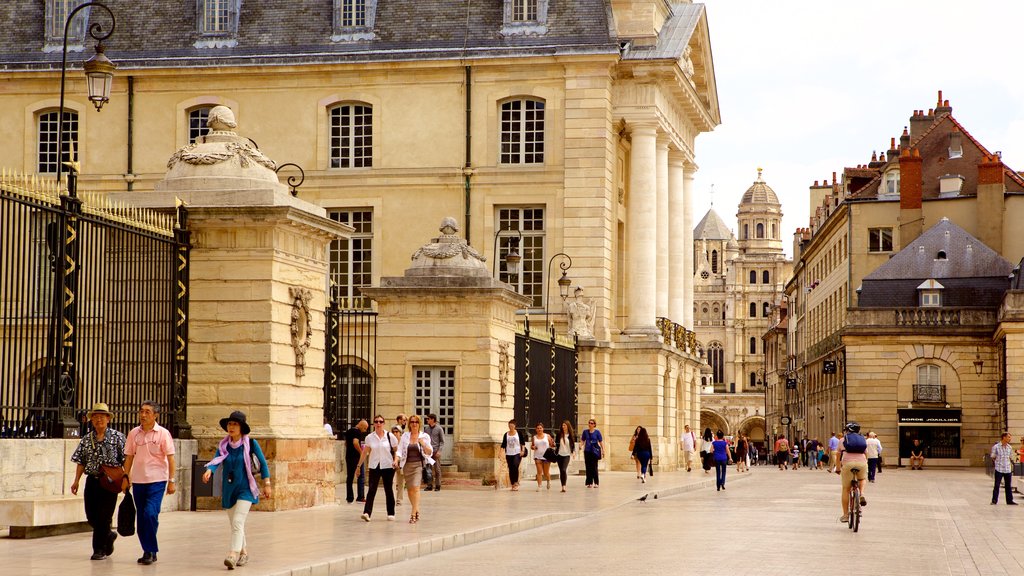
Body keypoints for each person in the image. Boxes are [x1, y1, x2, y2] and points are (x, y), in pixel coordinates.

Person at [202, 410, 271, 569]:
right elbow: (215, 461)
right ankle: (244, 552)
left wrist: (267, 484)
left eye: (235, 424)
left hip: (246, 489)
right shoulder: (223, 445)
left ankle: (232, 554)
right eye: (229, 424)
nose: (231, 427)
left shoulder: (251, 444)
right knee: (235, 524)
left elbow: (263, 464)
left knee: (238, 521)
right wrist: (208, 471)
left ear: (241, 428)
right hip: (229, 489)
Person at [70, 403, 127, 561]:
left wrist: (126, 479)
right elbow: (81, 461)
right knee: (92, 516)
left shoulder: (118, 437)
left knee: (103, 517)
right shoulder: (87, 439)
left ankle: (99, 550)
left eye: (102, 416)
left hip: (110, 481)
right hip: (92, 481)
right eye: (95, 416)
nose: (98, 419)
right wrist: (76, 481)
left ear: (108, 419)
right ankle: (108, 535)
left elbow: (127, 459)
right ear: (91, 420)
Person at [124, 401, 176, 565]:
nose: (143, 415)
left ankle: (150, 549)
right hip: (139, 481)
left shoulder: (163, 433)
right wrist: (126, 477)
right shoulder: (134, 434)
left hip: (157, 481)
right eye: (141, 411)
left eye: (147, 412)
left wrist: (171, 481)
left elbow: (170, 458)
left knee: (150, 514)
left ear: (155, 415)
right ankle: (148, 551)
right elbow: (129, 457)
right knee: (142, 517)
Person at [357, 415, 398, 521]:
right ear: (374, 423)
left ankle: (391, 513)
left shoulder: (390, 436)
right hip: (374, 465)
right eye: (376, 422)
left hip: (388, 465)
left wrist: (396, 460)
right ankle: (367, 513)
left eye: (380, 421)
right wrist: (358, 466)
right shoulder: (370, 437)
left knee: (388, 489)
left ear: (383, 423)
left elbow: (397, 450)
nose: (378, 424)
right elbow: (365, 452)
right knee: (371, 489)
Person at [396, 415, 433, 523]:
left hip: (418, 465)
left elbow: (429, 452)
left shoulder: (424, 436)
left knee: (416, 488)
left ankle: (413, 513)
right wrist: (396, 459)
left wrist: (423, 444)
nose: (414, 424)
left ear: (419, 424)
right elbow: (399, 450)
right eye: (412, 422)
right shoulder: (405, 436)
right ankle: (416, 509)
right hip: (407, 465)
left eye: (416, 422)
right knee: (410, 489)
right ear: (409, 424)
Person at [836, 421, 867, 523]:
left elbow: (838, 455)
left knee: (846, 489)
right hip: (861, 463)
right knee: (862, 478)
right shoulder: (863, 439)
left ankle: (845, 515)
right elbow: (866, 453)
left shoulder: (842, 440)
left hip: (848, 464)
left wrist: (838, 468)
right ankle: (861, 493)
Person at [990, 432, 1018, 505]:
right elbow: (992, 456)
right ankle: (994, 500)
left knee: (1008, 486)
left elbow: (1011, 456)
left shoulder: (1009, 447)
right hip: (999, 468)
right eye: (1008, 437)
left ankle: (1009, 500)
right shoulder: (996, 447)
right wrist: (995, 459)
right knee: (997, 485)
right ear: (1004, 437)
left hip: (1007, 468)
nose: (1010, 439)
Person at [344, 419, 368, 503]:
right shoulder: (357, 432)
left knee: (350, 477)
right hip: (356, 457)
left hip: (348, 456)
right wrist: (361, 452)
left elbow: (346, 443)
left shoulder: (349, 431)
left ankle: (349, 497)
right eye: (365, 428)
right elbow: (355, 442)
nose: (365, 430)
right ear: (361, 425)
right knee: (361, 476)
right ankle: (360, 496)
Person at [500, 419, 528, 490]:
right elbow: (503, 444)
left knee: (515, 465)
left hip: (517, 453)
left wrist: (522, 451)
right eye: (509, 426)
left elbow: (523, 443)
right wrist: (500, 453)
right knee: (511, 468)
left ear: (515, 426)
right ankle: (512, 483)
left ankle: (516, 482)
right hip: (508, 453)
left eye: (512, 426)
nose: (510, 427)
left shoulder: (519, 433)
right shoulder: (506, 434)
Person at [580, 419, 604, 488]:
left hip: (594, 451)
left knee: (594, 467)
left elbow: (600, 442)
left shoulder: (597, 432)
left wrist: (603, 450)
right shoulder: (585, 432)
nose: (590, 424)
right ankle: (589, 482)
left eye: (591, 423)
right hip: (587, 451)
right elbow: (582, 440)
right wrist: (580, 445)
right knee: (588, 467)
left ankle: (596, 482)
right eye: (589, 423)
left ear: (594, 425)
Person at [424, 414, 445, 491]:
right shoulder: (426, 429)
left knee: (437, 469)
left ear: (433, 419)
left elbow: (442, 442)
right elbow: (424, 440)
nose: (427, 420)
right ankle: (429, 485)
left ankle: (438, 485)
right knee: (428, 469)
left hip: (436, 452)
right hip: (428, 452)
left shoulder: (439, 429)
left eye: (428, 419)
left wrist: (439, 451)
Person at [554, 420, 576, 492]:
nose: (563, 427)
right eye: (562, 425)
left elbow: (573, 445)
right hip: (559, 455)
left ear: (568, 426)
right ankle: (562, 486)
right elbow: (556, 444)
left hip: (566, 455)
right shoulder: (559, 434)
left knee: (563, 469)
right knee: (561, 471)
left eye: (565, 425)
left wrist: (574, 452)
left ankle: (564, 486)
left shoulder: (570, 435)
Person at [531, 423, 554, 491]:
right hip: (537, 456)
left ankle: (548, 481)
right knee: (539, 472)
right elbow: (532, 446)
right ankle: (539, 486)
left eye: (540, 428)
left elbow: (552, 444)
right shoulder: (534, 437)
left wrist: (553, 443)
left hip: (546, 456)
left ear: (543, 429)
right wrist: (533, 447)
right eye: (538, 428)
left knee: (546, 472)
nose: (539, 429)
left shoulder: (547, 436)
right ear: (536, 429)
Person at [394, 413, 408, 505]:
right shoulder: (395, 429)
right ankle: (394, 498)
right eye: (403, 420)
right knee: (394, 481)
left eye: (406, 420)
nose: (405, 422)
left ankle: (399, 499)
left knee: (400, 480)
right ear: (399, 420)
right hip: (394, 458)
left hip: (401, 459)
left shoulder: (404, 431)